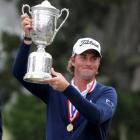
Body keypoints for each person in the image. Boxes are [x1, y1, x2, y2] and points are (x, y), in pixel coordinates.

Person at [12, 14, 117, 140]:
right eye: (83, 57)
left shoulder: (107, 93)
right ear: (73, 60)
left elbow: (97, 116)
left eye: (94, 59)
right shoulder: (54, 88)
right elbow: (19, 72)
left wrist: (66, 89)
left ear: (99, 63)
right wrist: (27, 39)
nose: (88, 63)